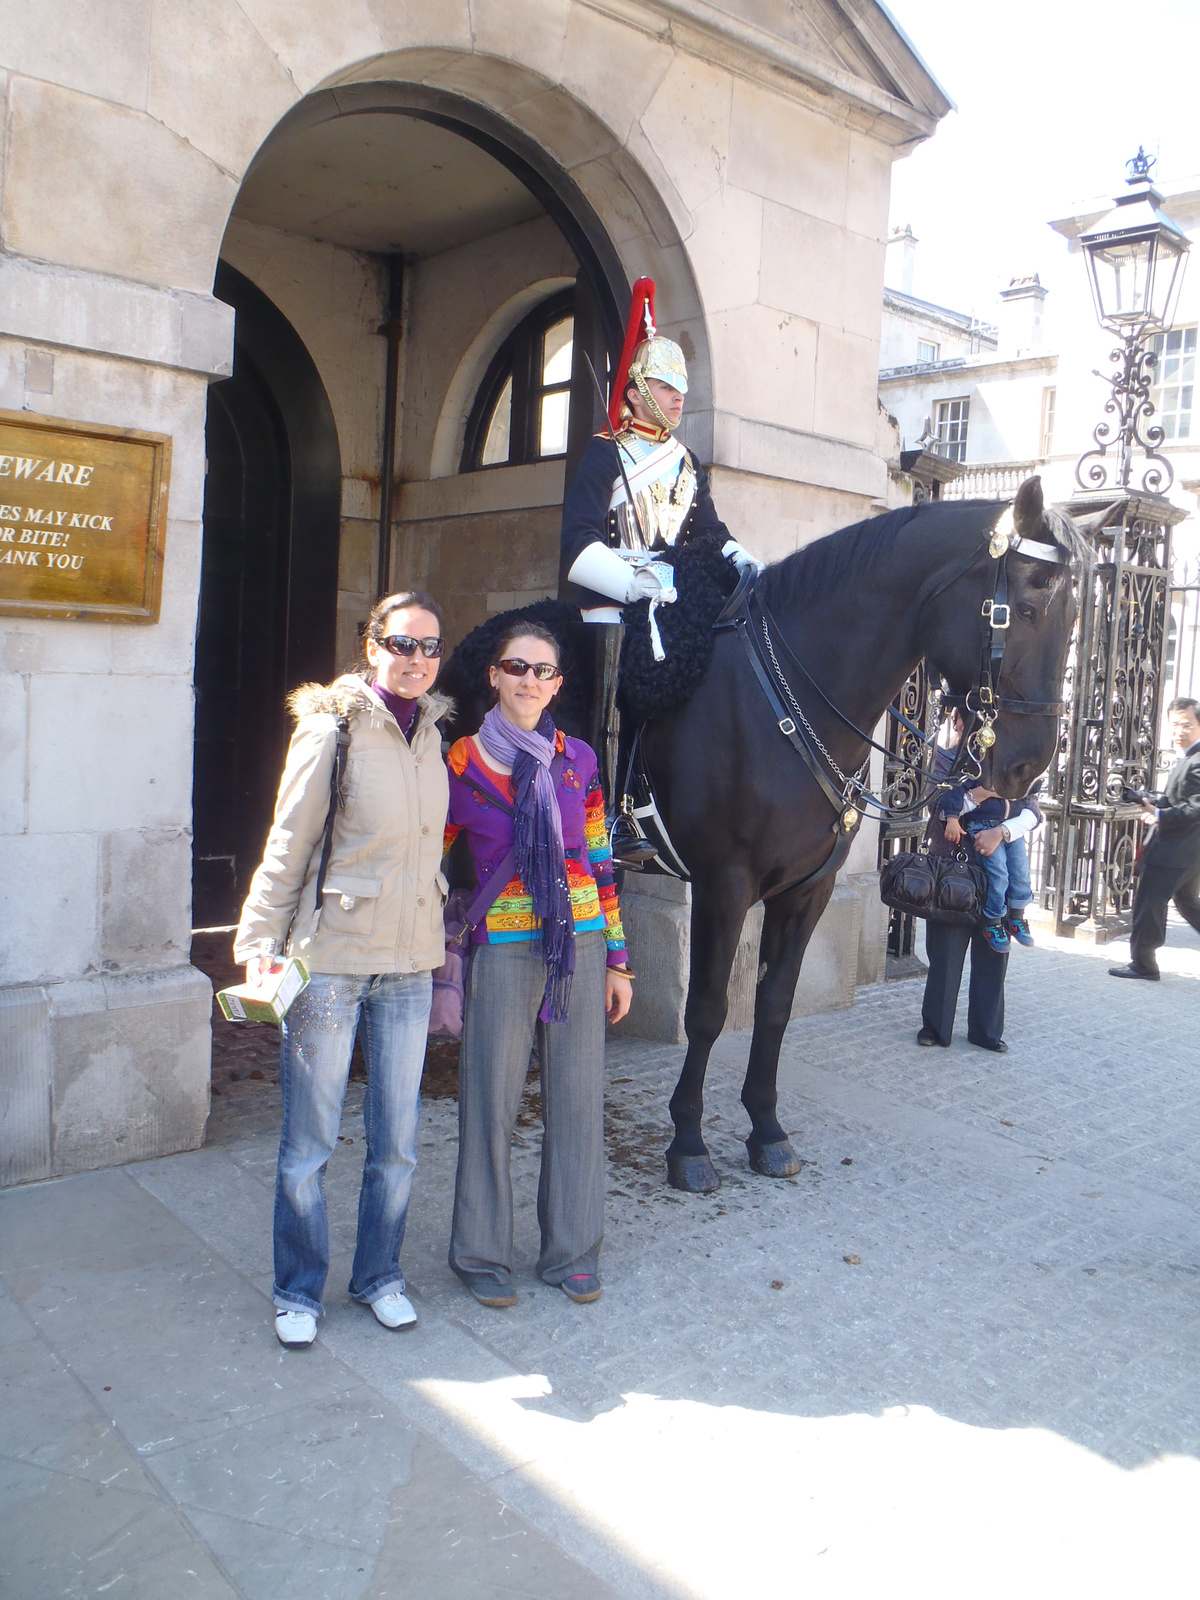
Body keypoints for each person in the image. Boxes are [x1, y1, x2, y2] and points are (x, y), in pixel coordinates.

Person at [233, 591, 451, 1348]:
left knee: (397, 1140)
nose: (416, 659)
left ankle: (379, 1275)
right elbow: (288, 839)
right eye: (402, 644)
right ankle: (298, 1289)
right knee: (310, 1141)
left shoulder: (436, 735)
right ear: (372, 646)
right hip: (330, 959)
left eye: (429, 647)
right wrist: (260, 937)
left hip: (412, 960)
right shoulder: (334, 727)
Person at [444, 622, 632, 1309]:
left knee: (578, 1100)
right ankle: (481, 1252)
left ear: (557, 683)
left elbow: (599, 863)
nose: (530, 680)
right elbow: (425, 855)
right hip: (502, 947)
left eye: (544, 670)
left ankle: (573, 1250)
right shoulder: (459, 763)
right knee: (490, 1101)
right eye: (516, 667)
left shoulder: (576, 757)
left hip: (578, 945)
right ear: (494, 675)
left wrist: (619, 959)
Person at [560, 276, 758, 794]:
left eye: (682, 391)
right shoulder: (606, 452)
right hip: (612, 597)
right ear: (640, 390)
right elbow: (577, 541)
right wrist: (630, 585)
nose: (679, 400)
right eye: (669, 388)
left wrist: (739, 556)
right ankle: (603, 806)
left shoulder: (687, 461)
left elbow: (708, 530)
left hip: (669, 595)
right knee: (608, 706)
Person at [918, 710, 1041, 1053]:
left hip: (996, 870)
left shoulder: (1009, 761)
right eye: (964, 721)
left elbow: (1032, 810)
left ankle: (986, 1031)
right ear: (957, 723)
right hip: (953, 873)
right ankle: (935, 1027)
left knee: (993, 954)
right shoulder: (945, 758)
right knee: (945, 956)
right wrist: (983, 794)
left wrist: (1000, 833)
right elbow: (937, 806)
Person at [1108, 696, 1200, 981]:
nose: (1178, 731)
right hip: (1186, 852)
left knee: (1149, 902)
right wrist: (1147, 799)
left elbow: (1196, 806)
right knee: (1187, 904)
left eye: (1186, 725)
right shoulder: (1190, 757)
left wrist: (1159, 816)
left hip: (1175, 850)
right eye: (1174, 725)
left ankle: (1144, 964)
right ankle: (1144, 962)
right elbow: (1178, 799)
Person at [939, 777, 1040, 954]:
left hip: (1010, 825)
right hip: (982, 825)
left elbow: (1033, 804)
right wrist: (952, 818)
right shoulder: (976, 768)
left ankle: (1016, 915)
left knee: (1021, 872)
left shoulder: (1012, 767)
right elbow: (954, 789)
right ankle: (993, 921)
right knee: (998, 874)